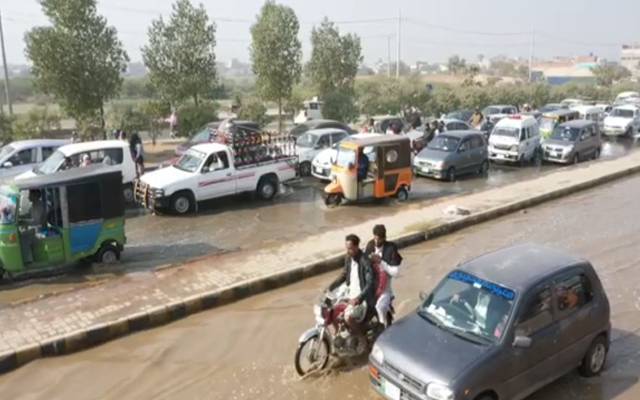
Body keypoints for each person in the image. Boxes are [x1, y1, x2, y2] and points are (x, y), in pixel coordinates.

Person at [328, 234, 376, 329]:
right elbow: (344, 275)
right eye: (347, 248)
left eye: (350, 248)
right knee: (332, 312)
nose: (348, 251)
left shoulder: (365, 261)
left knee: (348, 317)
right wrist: (330, 287)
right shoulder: (348, 258)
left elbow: (369, 283)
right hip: (349, 293)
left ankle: (361, 337)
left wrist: (359, 298)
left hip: (362, 298)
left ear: (357, 247)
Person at [365, 225, 402, 327]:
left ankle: (383, 329)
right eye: (375, 238)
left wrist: (381, 262)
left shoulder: (391, 248)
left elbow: (396, 273)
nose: (376, 242)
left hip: (385, 287)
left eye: (379, 239)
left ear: (384, 238)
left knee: (379, 307)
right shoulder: (370, 245)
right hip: (372, 284)